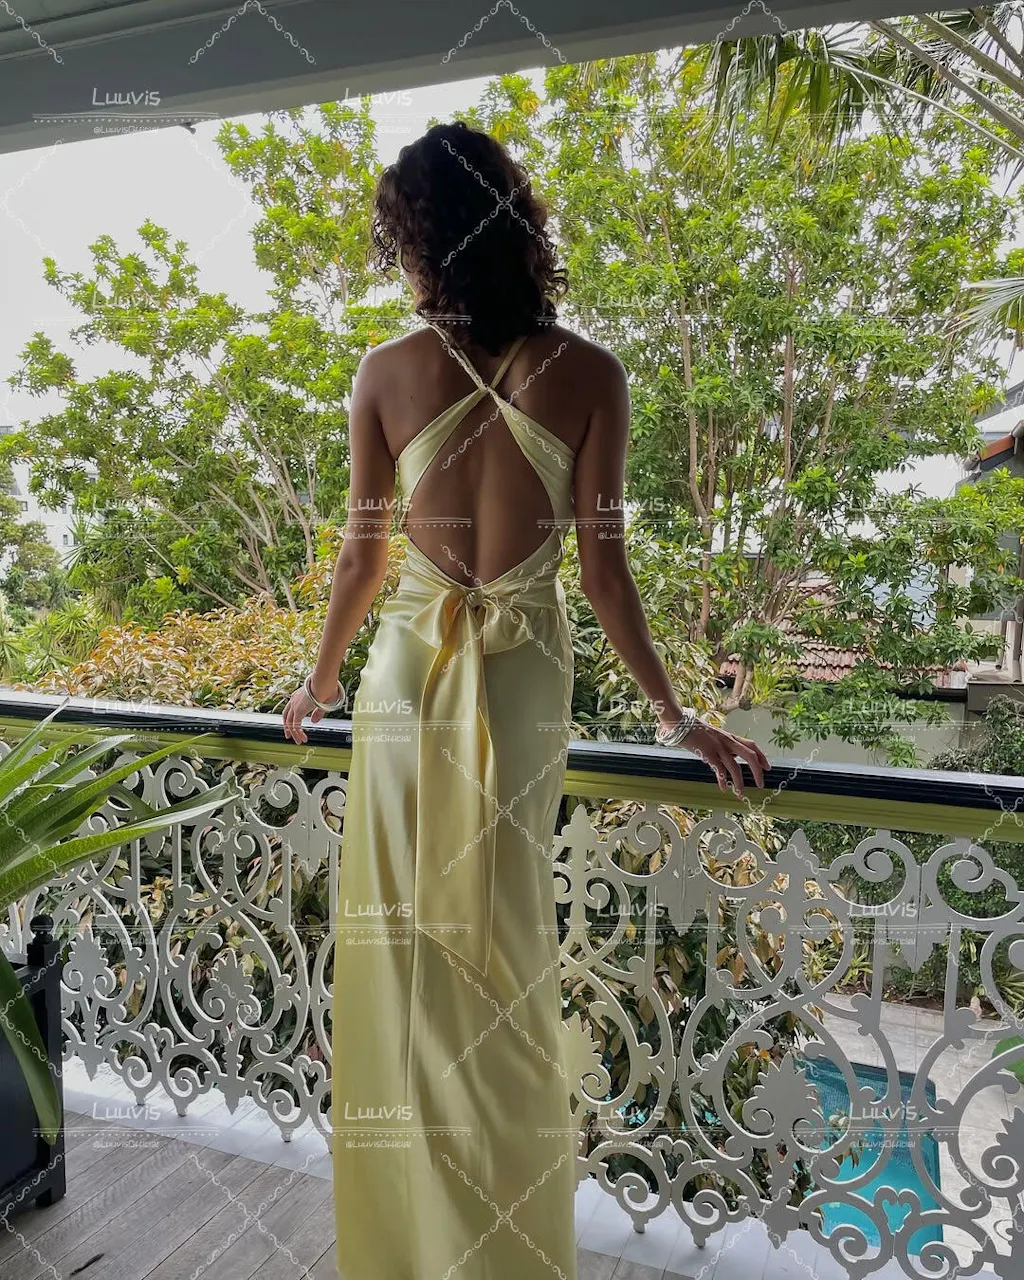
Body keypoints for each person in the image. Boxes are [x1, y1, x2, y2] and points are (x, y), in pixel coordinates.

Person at [282, 119, 769, 1280]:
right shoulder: (591, 373)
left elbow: (361, 557)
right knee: (502, 952)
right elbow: (603, 573)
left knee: (400, 952)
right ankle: (502, 1249)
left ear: (414, 239)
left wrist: (319, 676)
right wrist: (677, 719)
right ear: (519, 226)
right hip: (520, 680)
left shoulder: (384, 372)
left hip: (406, 678)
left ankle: (409, 1245)